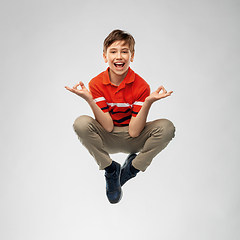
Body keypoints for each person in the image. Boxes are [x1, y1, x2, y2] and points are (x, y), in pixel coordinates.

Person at [65, 29, 175, 204]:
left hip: (134, 137)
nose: (119, 56)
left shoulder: (141, 85)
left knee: (167, 127)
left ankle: (131, 169)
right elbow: (107, 126)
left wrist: (148, 102)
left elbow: (133, 131)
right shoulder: (96, 83)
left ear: (132, 56)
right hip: (107, 137)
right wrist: (89, 99)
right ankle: (111, 170)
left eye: (125, 51)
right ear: (104, 57)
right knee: (81, 123)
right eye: (113, 51)